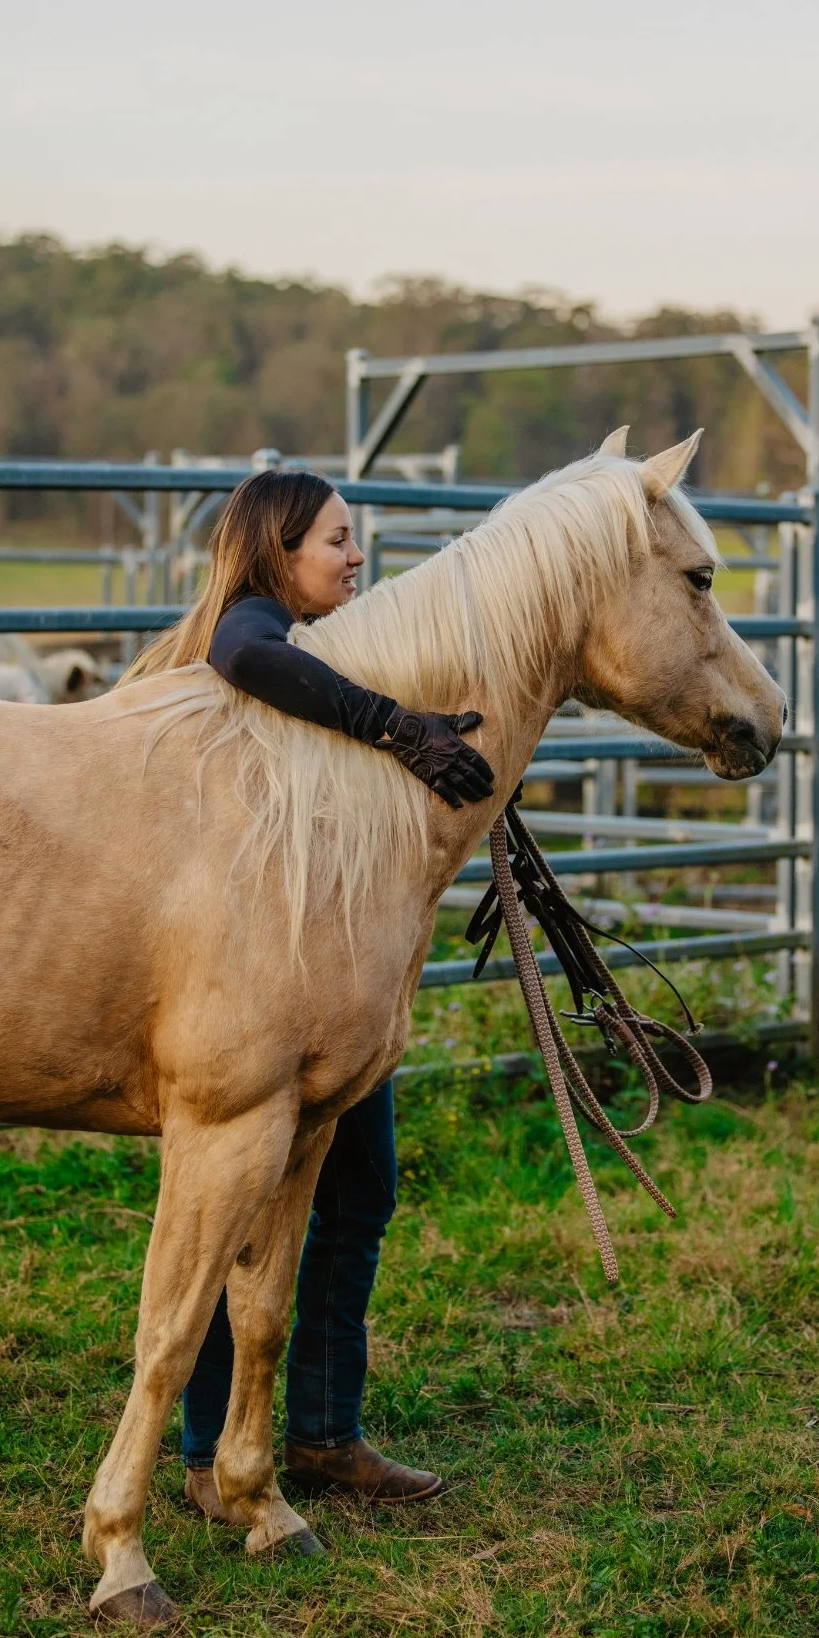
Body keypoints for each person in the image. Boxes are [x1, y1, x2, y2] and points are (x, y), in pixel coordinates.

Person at [125, 469, 493, 1509]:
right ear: (280, 549)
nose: (355, 556)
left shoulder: (323, 646)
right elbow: (242, 657)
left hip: (332, 978)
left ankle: (325, 1434)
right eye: (336, 539)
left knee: (358, 1194)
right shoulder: (252, 627)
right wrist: (394, 724)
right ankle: (208, 1452)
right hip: (269, 985)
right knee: (233, 1208)